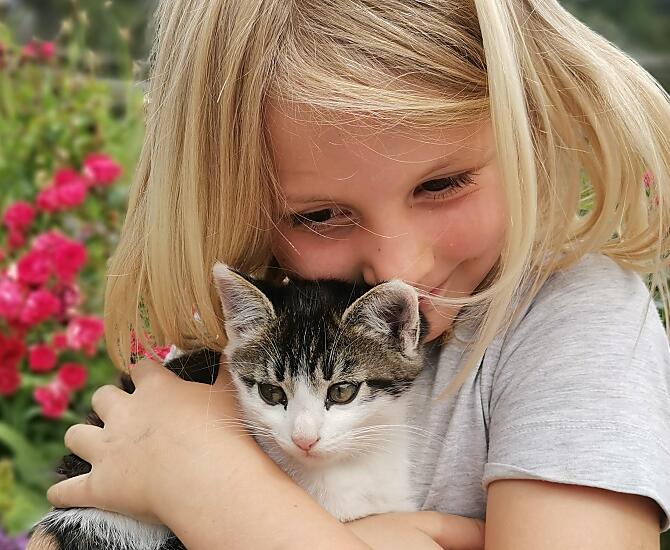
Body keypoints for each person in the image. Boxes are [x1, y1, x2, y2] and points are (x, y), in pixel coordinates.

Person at [42, 0, 670, 548]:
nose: (399, 269)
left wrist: (212, 486)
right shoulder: (264, 329)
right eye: (319, 215)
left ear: (530, 128)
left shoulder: (575, 326)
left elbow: (188, 476)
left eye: (443, 184)